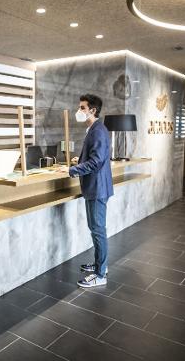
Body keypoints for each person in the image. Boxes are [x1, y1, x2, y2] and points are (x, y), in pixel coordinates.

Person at [62, 94, 113, 288]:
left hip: (97, 188)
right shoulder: (94, 129)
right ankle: (101, 264)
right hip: (96, 187)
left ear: (92, 110)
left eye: (82, 108)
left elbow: (97, 161)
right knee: (96, 229)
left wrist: (71, 170)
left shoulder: (98, 130)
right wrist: (80, 160)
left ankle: (100, 275)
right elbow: (94, 156)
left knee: (98, 230)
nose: (79, 111)